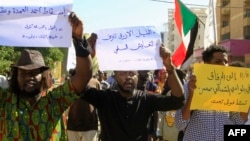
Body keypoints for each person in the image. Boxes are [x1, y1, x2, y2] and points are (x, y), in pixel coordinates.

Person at [0, 12, 92, 140]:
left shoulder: (55, 100)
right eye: (23, 73)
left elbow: (83, 76)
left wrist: (78, 39)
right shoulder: (4, 100)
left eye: (33, 73)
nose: (28, 77)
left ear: (43, 76)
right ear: (16, 76)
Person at [80, 44, 185, 141]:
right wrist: (87, 55)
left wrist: (169, 67)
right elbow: (78, 87)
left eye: (131, 73)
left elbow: (178, 101)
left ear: (138, 76)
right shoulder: (105, 99)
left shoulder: (146, 100)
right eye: (123, 73)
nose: (128, 77)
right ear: (115, 76)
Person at [175, 45, 249, 141]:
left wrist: (246, 96)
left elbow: (238, 121)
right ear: (207, 64)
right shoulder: (189, 87)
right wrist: (193, 95)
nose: (224, 65)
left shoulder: (232, 89)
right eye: (218, 61)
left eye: (226, 62)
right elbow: (180, 124)